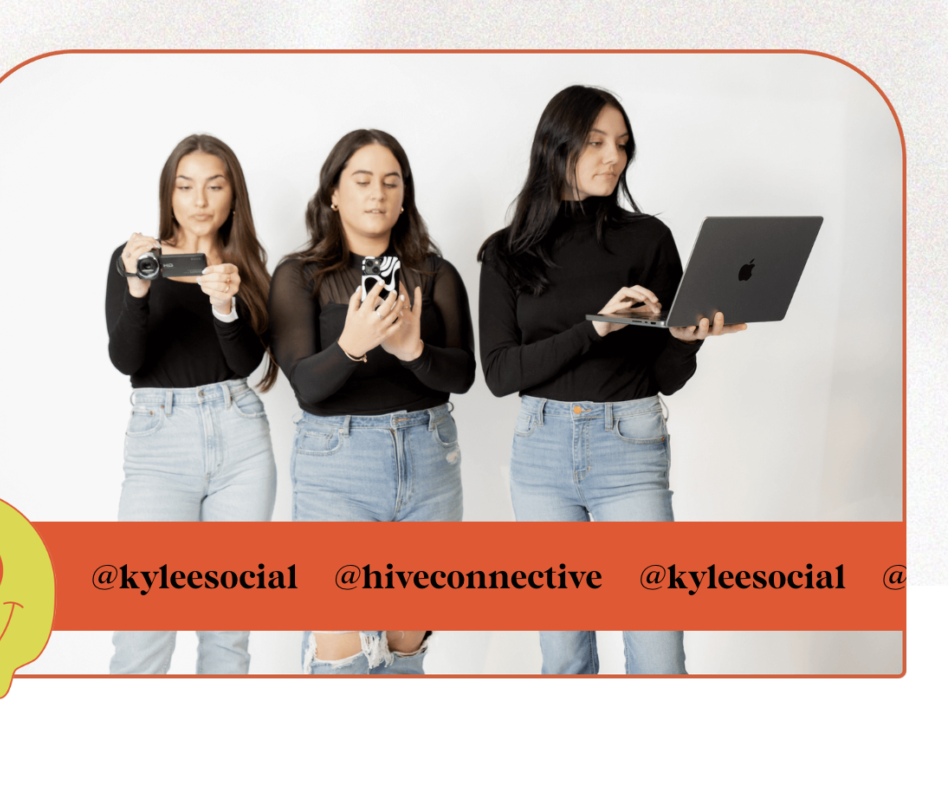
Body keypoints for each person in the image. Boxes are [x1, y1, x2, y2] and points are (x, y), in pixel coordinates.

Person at [478, 86, 745, 675]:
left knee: (657, 651)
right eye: (596, 142)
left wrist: (685, 339)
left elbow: (664, 377)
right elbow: (499, 373)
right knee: (564, 652)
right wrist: (596, 328)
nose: (612, 158)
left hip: (630, 442)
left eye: (621, 145)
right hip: (541, 453)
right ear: (557, 145)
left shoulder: (648, 239)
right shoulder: (506, 253)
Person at [268, 129, 476, 675]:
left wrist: (413, 350)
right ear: (333, 194)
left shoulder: (436, 274)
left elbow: (464, 374)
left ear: (404, 197)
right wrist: (350, 345)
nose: (377, 193)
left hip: (429, 462)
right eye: (361, 180)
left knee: (406, 650)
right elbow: (306, 385)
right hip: (337, 466)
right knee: (342, 653)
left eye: (391, 182)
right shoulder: (299, 276)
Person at [105, 134, 277, 674]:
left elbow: (251, 365)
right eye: (185, 186)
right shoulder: (137, 258)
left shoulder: (247, 263)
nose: (199, 199)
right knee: (143, 627)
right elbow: (127, 360)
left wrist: (225, 307)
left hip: (240, 439)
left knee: (227, 633)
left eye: (214, 185)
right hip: (160, 442)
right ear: (169, 193)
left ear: (233, 197)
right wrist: (136, 288)